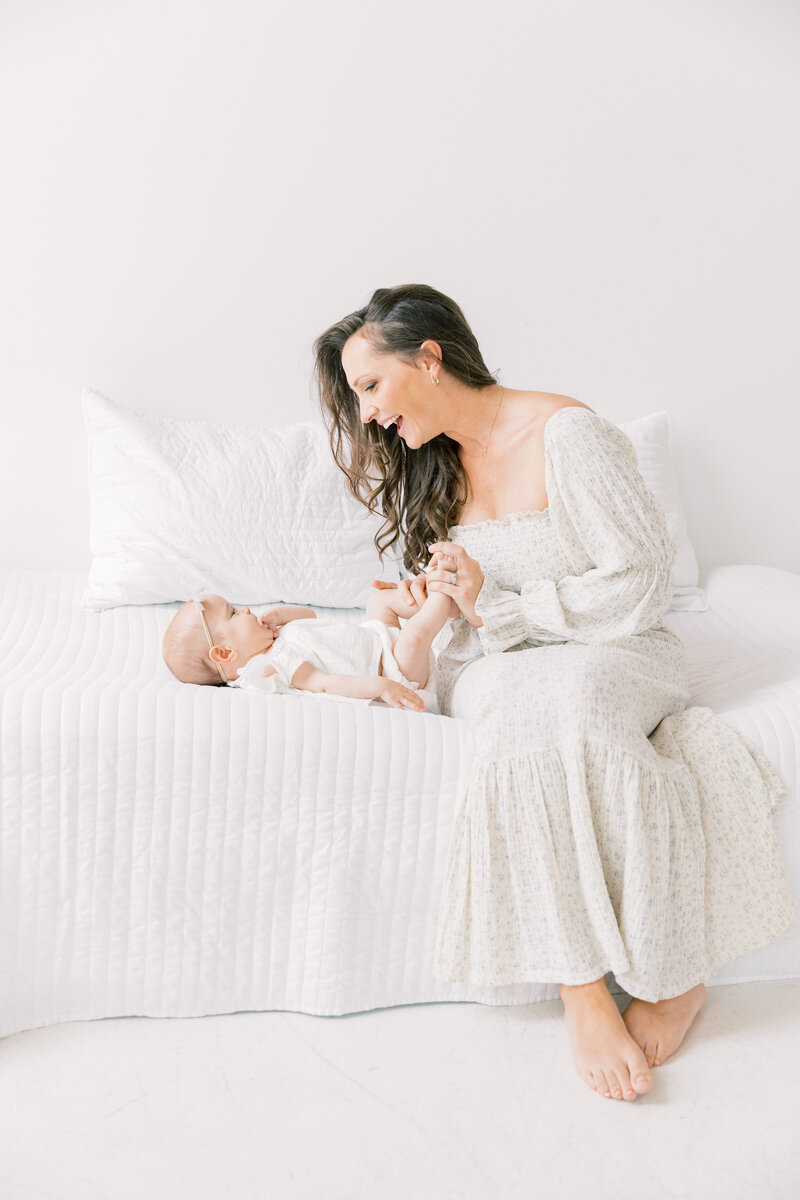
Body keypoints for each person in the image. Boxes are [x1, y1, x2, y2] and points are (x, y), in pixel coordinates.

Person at [312, 282, 796, 1103]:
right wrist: (438, 608)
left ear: (428, 357)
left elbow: (642, 579)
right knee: (511, 727)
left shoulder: (566, 434)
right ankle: (581, 986)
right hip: (502, 661)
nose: (366, 416)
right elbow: (466, 622)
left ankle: (674, 974)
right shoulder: (433, 469)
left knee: (571, 715)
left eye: (370, 387)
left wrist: (504, 606)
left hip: (616, 643)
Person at [161, 581, 456, 712]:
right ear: (225, 653)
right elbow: (325, 684)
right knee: (416, 634)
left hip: (375, 638)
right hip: (394, 669)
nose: (247, 610)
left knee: (379, 599)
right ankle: (448, 590)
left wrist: (282, 615)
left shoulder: (270, 638)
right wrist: (381, 687)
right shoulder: (274, 667)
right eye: (234, 613)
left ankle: (439, 601)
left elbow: (312, 618)